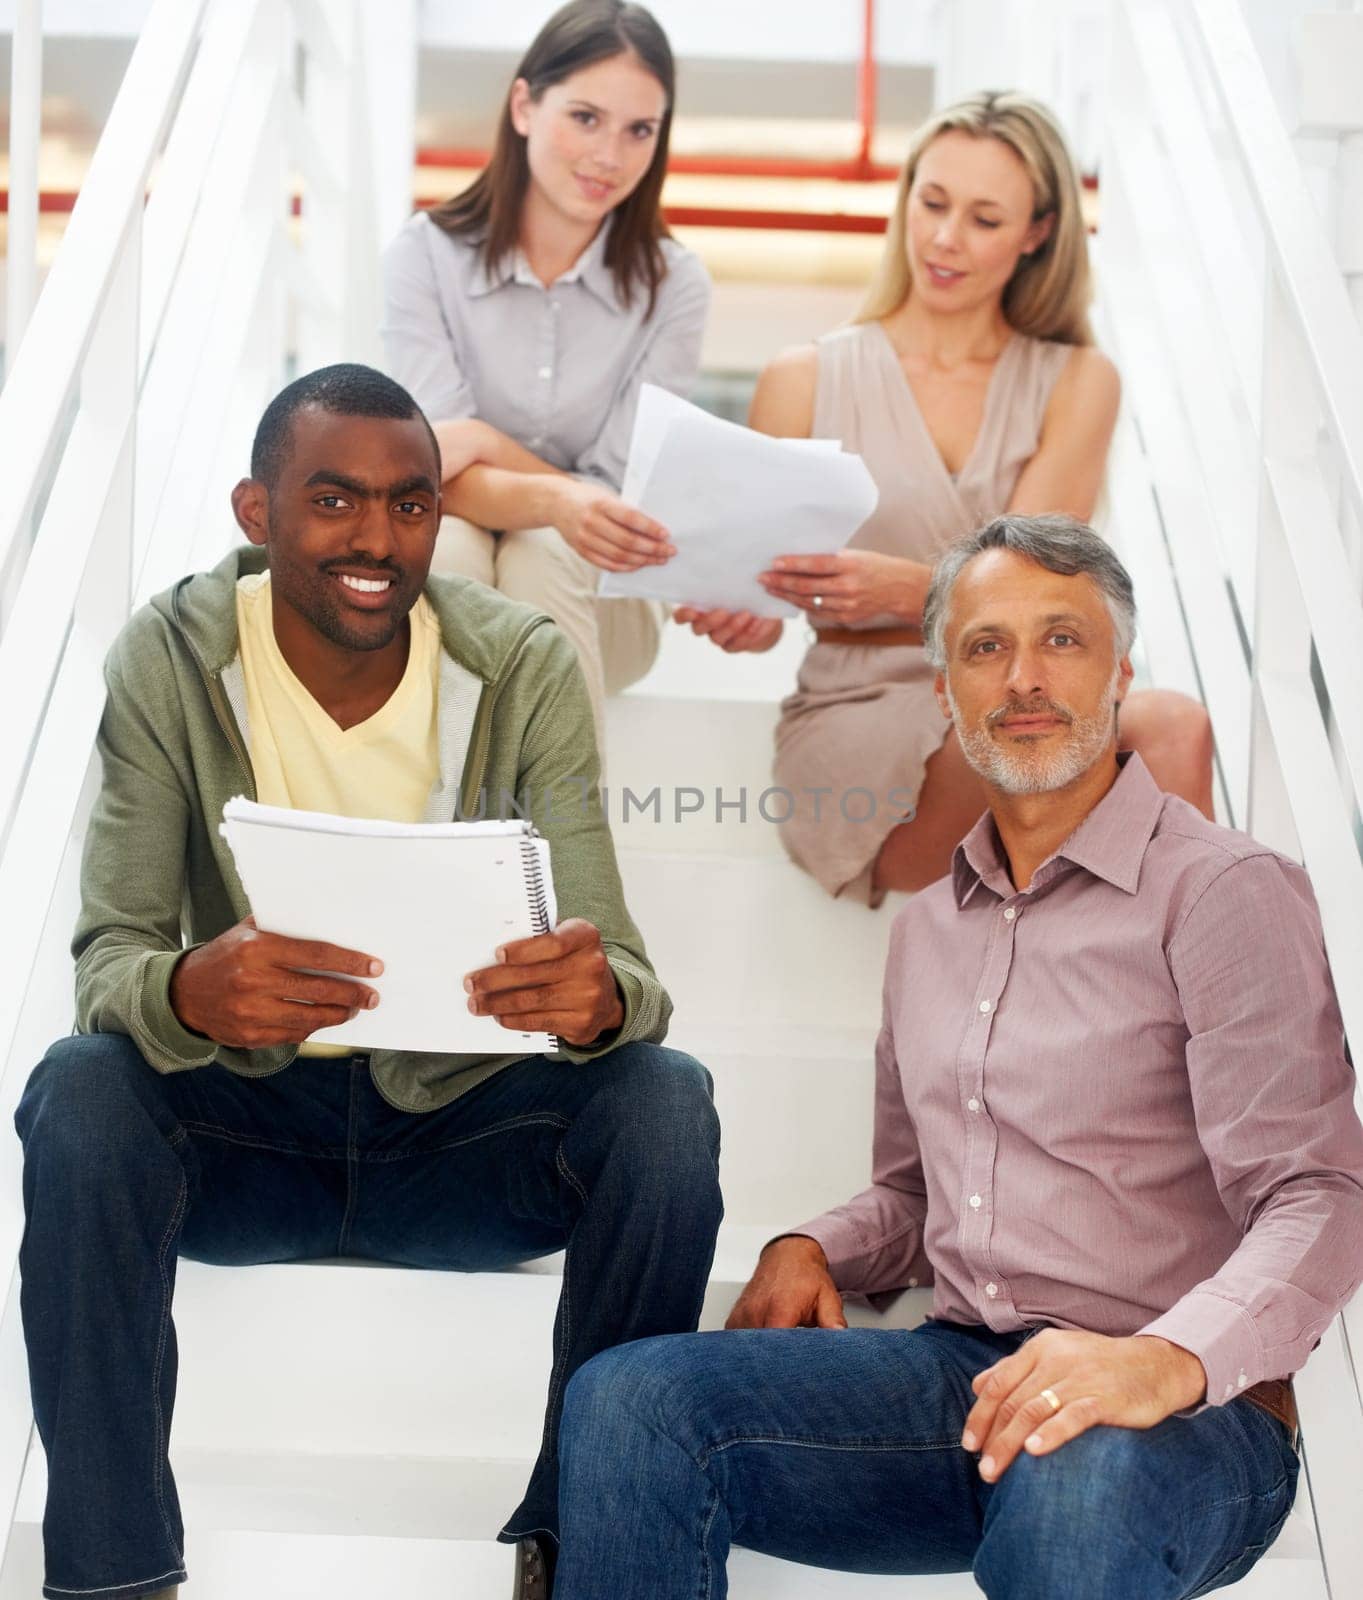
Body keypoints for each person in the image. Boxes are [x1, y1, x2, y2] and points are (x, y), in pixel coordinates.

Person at [554, 514, 1363, 1600]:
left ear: (1120, 671)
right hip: (964, 1382)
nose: (1023, 677)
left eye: (1062, 640)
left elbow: (1319, 1192)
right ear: (944, 691)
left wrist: (1157, 1360)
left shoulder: (1221, 891)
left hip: (1180, 1418)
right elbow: (912, 1193)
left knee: (1075, 1472)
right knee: (629, 1399)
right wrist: (811, 1243)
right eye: (985, 647)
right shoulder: (929, 926)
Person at [13, 365, 722, 1600]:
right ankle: (112, 1577)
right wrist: (188, 991)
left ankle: (584, 1545)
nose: (376, 540)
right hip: (246, 1132)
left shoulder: (521, 665)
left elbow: (630, 981)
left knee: (666, 1100)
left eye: (409, 506)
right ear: (256, 510)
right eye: (333, 501)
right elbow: (109, 957)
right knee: (79, 1088)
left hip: (462, 1143)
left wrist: (592, 1000)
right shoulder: (170, 655)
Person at [678, 91, 1213, 904]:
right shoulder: (804, 379)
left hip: (1024, 690)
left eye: (983, 219)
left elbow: (1045, 595)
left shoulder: (1075, 381)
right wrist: (745, 613)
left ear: (1037, 233)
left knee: (1171, 725)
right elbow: (765, 611)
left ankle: (1201, 1013)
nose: (943, 238)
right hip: (865, 715)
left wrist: (906, 588)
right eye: (929, 203)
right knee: (1046, 759)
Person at [381, 0, 711, 752]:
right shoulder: (423, 256)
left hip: (602, 593)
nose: (610, 155)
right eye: (585, 118)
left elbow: (613, 510)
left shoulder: (676, 286)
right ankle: (457, 829)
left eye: (639, 131)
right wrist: (558, 496)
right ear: (524, 105)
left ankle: (558, 849)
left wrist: (484, 450)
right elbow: (426, 479)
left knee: (541, 549)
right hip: (461, 553)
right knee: (453, 544)